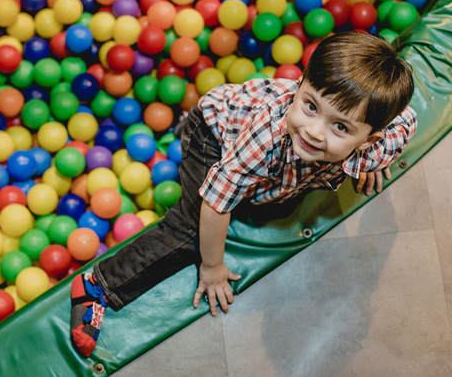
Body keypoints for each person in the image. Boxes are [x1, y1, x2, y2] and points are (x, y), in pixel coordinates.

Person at [68, 31, 418, 357]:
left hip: (285, 159)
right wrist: (213, 266)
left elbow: (406, 120)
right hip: (214, 136)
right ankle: (99, 285)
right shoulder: (266, 133)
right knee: (192, 230)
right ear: (300, 85)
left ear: (370, 140)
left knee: (273, 210)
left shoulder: (382, 141)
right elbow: (216, 205)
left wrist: (370, 163)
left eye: (340, 127)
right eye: (310, 106)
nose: (314, 131)